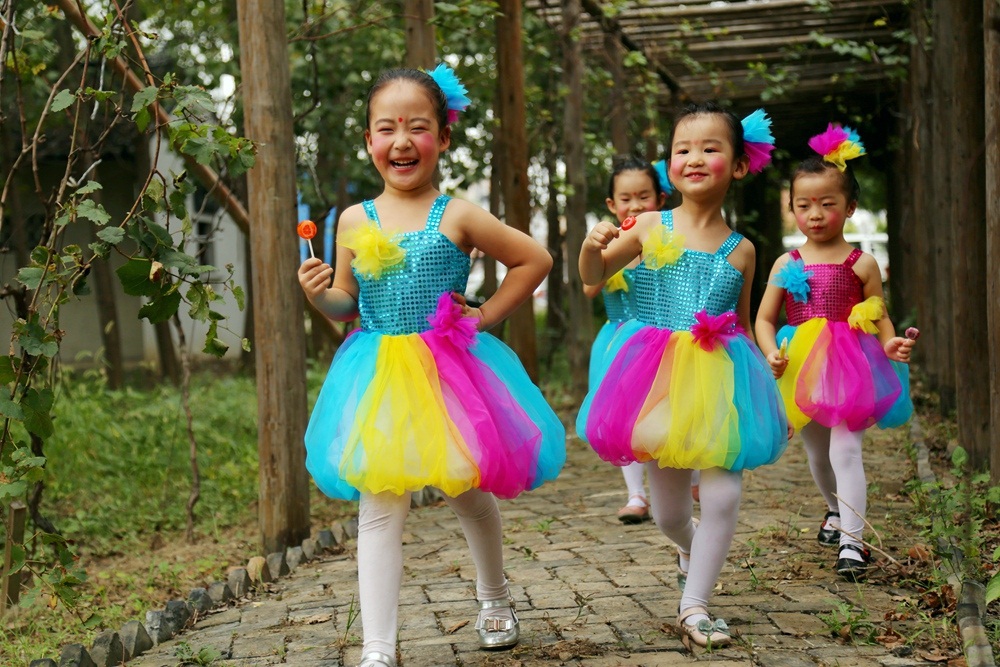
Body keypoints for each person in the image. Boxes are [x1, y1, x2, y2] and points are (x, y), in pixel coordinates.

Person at [297, 65, 566, 667]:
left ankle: (494, 597)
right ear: (369, 140)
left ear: (443, 138)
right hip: (379, 374)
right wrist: (319, 295)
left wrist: (484, 315)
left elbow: (535, 259)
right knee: (379, 506)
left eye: (417, 127)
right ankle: (378, 647)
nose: (401, 141)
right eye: (386, 128)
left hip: (451, 374)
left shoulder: (458, 214)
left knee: (466, 491)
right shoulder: (353, 219)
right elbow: (346, 303)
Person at [577, 102, 788, 648]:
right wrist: (590, 248)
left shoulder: (742, 250)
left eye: (709, 148)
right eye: (682, 149)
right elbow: (595, 275)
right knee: (670, 513)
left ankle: (695, 605)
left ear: (738, 165)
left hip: (719, 376)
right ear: (669, 164)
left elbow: (743, 324)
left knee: (722, 495)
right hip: (655, 377)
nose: (694, 158)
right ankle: (694, 553)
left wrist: (768, 391)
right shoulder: (651, 225)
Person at [754, 123, 914, 583]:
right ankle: (834, 509)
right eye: (804, 205)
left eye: (828, 204)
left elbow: (878, 315)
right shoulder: (786, 264)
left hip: (850, 362)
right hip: (802, 364)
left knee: (846, 449)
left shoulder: (861, 263)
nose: (816, 214)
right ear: (792, 208)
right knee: (818, 454)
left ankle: (853, 541)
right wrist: (771, 351)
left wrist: (890, 344)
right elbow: (764, 319)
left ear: (850, 207)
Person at [580, 156, 668, 523]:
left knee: (666, 408)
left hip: (659, 339)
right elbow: (589, 288)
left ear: (660, 200)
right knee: (622, 417)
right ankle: (636, 494)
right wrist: (600, 251)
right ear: (612, 204)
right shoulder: (610, 245)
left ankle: (686, 477)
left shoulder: (667, 241)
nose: (635, 206)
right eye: (626, 199)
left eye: (643, 197)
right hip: (617, 341)